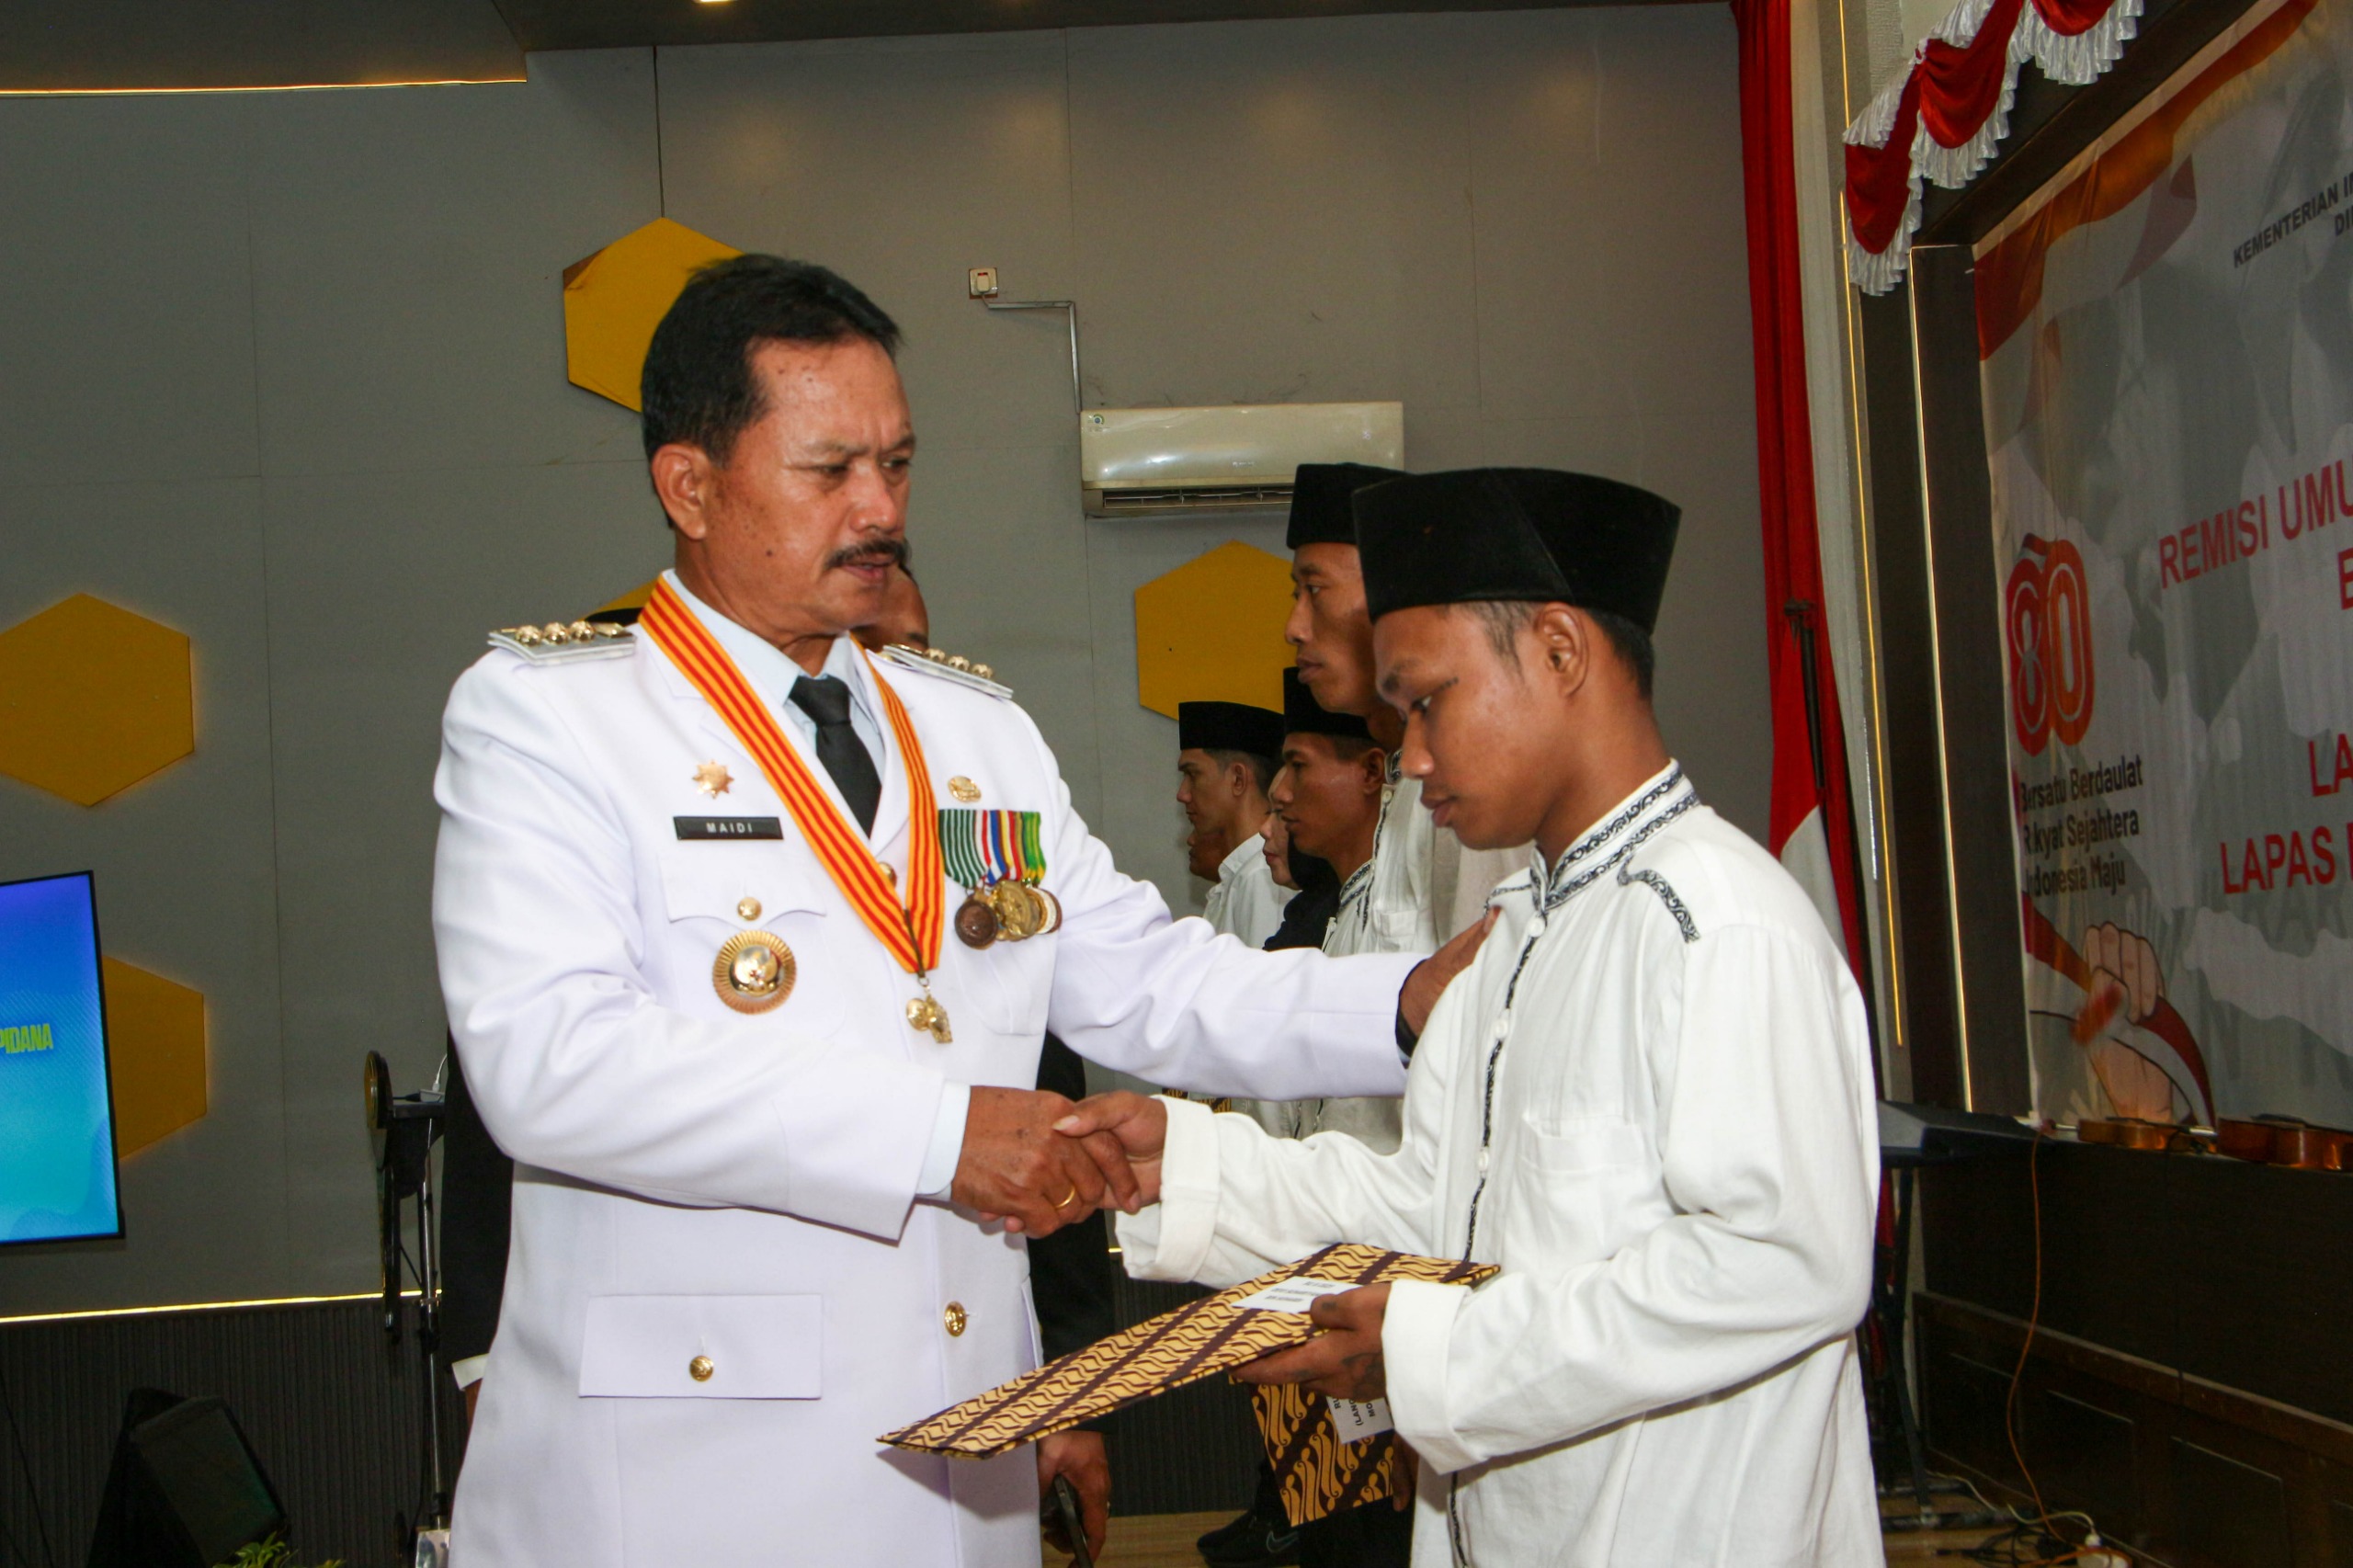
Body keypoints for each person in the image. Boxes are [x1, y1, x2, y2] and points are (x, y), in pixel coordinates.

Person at [430, 256, 1486, 1568]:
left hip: (956, 1453)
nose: (881, 509)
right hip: (694, 1481)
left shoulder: (966, 725)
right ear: (690, 486)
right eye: (832, 471)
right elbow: (553, 1065)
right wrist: (940, 1135)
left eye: (901, 463)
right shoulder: (553, 717)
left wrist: (1401, 999)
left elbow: (1147, 978)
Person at [1063, 468, 1882, 1566]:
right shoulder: (1516, 929)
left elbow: (1781, 1260)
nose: (1408, 756)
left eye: (1427, 702)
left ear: (1558, 650)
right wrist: (1193, 1163)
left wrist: (1444, 1352)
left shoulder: (1713, 919)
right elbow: (1430, 1203)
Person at [434, 562, 1121, 1559]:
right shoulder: (577, 730)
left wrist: (1067, 1381)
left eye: (905, 648)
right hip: (697, 1430)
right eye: (869, 650)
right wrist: (481, 1353)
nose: (890, 673)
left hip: (959, 1426)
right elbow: (522, 1091)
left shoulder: (968, 774)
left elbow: (1041, 1091)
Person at [1285, 463, 1526, 949]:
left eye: (1314, 590)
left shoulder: (1461, 779)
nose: (1295, 627)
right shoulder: (1405, 784)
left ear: (1393, 594)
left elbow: (1478, 1001)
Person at [1176, 700, 1290, 949]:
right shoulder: (1240, 876)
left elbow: (1263, 985)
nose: (1182, 794)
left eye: (1193, 774)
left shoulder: (1262, 876)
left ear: (1238, 779)